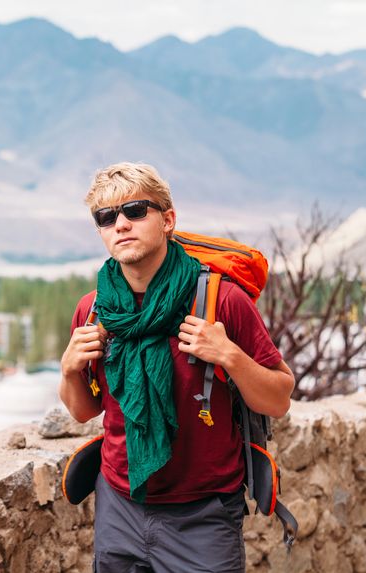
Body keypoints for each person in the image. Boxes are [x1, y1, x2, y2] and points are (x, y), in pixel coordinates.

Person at [59, 162, 295, 573]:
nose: (121, 225)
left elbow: (278, 398)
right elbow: (84, 411)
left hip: (202, 516)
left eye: (135, 211)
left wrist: (229, 355)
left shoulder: (222, 301)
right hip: (119, 505)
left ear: (168, 220)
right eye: (106, 217)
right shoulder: (95, 310)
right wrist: (67, 370)